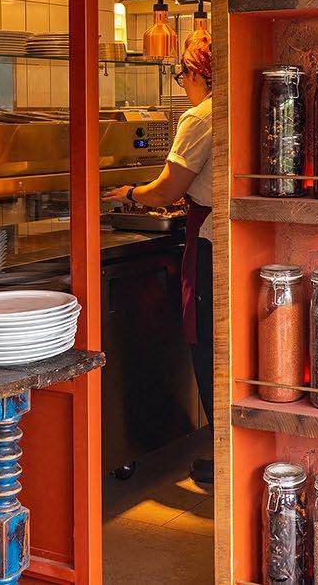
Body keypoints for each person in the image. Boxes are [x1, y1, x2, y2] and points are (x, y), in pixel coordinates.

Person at [103, 31, 213, 485]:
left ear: (199, 73)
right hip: (225, 236)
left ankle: (222, 454)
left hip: (210, 240)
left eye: (183, 73)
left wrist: (130, 193)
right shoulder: (228, 107)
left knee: (209, 345)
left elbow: (167, 190)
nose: (182, 82)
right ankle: (226, 448)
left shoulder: (199, 117)